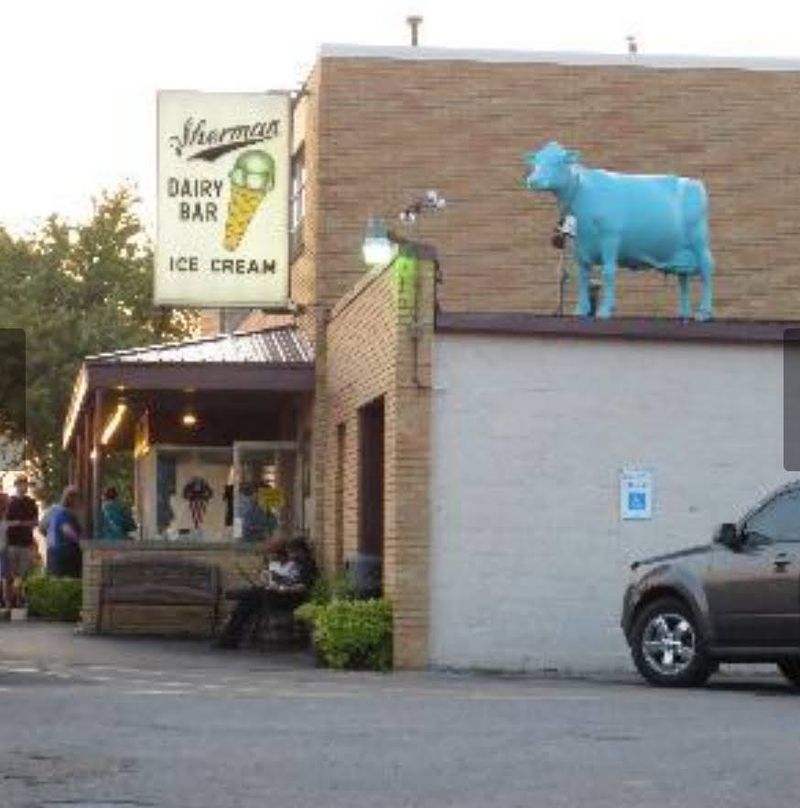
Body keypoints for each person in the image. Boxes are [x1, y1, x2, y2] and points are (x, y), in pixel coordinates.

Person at [216, 537, 316, 649]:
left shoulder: (308, 565)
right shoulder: (296, 563)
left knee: (251, 596)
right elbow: (285, 580)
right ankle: (229, 639)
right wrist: (273, 583)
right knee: (246, 603)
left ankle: (229, 639)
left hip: (291, 598)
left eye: (293, 552)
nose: (291, 555)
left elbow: (303, 587)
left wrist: (282, 589)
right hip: (277, 595)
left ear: (301, 551)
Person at [4, 475, 39, 607]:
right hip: (12, 543)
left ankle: (20, 601)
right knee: (11, 576)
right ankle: (9, 603)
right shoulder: (10, 502)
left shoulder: (31, 502)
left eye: (25, 484)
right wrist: (16, 523)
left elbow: (35, 522)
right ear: (16, 486)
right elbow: (5, 522)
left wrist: (24, 523)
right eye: (21, 484)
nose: (23, 487)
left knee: (23, 575)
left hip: (26, 543)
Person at [46, 486, 83, 578]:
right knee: (68, 581)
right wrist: (80, 542)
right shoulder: (63, 513)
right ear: (71, 499)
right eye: (77, 498)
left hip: (54, 550)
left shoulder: (54, 510)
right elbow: (67, 530)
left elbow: (42, 527)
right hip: (64, 552)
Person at [0, 492, 9, 610]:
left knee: (5, 578)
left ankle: (6, 605)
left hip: (4, 550)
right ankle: (6, 605)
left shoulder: (7, 518)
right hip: (3, 550)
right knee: (5, 578)